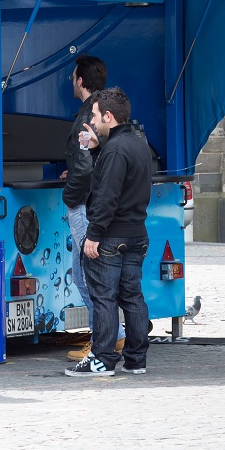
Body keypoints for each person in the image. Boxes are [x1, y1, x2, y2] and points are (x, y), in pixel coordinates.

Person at [65, 87, 153, 378]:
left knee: (104, 297)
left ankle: (102, 358)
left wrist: (93, 234)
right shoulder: (137, 143)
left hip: (111, 236)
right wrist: (95, 149)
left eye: (95, 115)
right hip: (136, 233)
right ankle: (136, 359)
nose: (92, 120)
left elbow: (107, 197)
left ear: (108, 116)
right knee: (132, 297)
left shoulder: (115, 150)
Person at [59, 55, 125, 362]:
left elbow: (87, 163)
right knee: (86, 274)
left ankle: (105, 340)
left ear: (80, 81)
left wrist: (71, 193)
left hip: (83, 203)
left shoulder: (88, 114)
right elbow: (93, 158)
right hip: (90, 199)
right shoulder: (99, 113)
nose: (72, 82)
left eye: (73, 77)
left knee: (88, 274)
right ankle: (115, 336)